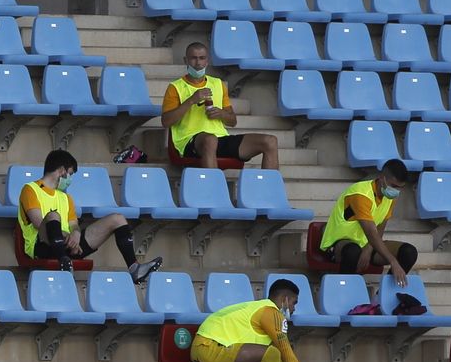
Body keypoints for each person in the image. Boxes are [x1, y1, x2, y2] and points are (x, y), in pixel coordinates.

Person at [17, 150, 163, 282]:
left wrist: (75, 233)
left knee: (117, 218)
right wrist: (69, 237)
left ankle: (134, 268)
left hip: (68, 246)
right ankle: (64, 264)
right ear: (61, 171)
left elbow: (73, 224)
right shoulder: (30, 190)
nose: (70, 179)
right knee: (53, 215)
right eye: (70, 173)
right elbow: (38, 223)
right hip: (42, 247)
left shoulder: (65, 197)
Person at [160, 40, 279, 168]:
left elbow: (232, 121)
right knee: (209, 140)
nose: (198, 63)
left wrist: (222, 114)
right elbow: (166, 122)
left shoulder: (218, 84)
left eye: (202, 58)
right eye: (193, 58)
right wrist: (191, 101)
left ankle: (269, 187)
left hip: (219, 138)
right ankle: (213, 187)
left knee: (270, 141)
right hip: (189, 141)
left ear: (207, 61)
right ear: (186, 60)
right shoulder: (175, 87)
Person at [190, 278, 305, 362]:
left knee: (274, 358)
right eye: (294, 303)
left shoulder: (258, 308)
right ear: (284, 299)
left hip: (204, 349)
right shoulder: (271, 313)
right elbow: (287, 353)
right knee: (274, 354)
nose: (294, 309)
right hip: (208, 347)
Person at [318, 160, 417, 282]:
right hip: (340, 244)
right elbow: (371, 232)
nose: (396, 191)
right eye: (394, 186)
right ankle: (344, 292)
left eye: (400, 188)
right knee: (353, 252)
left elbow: (380, 228)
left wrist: (368, 250)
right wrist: (393, 262)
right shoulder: (360, 194)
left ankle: (383, 294)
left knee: (409, 253)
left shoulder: (390, 197)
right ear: (382, 178)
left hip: (366, 244)